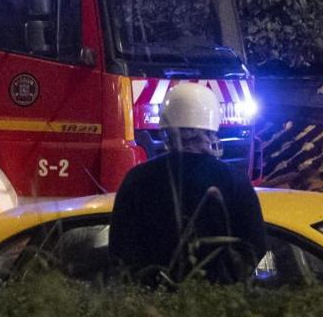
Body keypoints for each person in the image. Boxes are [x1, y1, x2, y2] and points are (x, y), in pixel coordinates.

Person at [110, 83, 266, 285]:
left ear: (166, 132)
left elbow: (120, 249)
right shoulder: (235, 180)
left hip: (152, 298)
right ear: (211, 131)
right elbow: (254, 247)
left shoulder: (137, 179)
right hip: (216, 298)